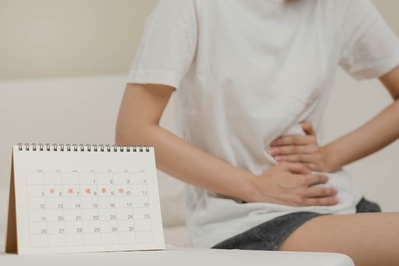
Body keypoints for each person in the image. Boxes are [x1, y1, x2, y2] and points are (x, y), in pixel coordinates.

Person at [116, 0, 399, 265]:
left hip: (340, 203)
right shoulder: (192, 6)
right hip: (246, 220)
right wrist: (255, 186)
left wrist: (330, 154)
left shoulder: (340, 5)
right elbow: (134, 131)